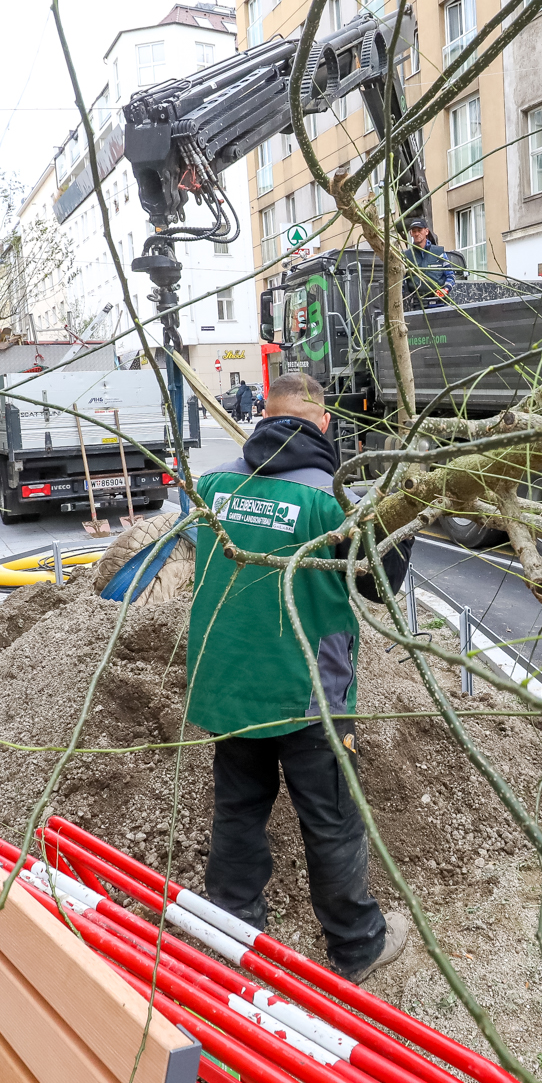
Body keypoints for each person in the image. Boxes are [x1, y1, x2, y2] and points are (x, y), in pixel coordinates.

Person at [186, 371, 412, 983]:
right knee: (331, 817)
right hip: (309, 690)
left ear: (263, 417)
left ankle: (233, 925)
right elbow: (379, 586)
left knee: (237, 809)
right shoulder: (332, 501)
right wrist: (399, 519)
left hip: (230, 684)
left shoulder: (213, 486)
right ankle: (358, 943)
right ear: (324, 425)